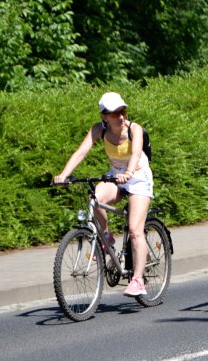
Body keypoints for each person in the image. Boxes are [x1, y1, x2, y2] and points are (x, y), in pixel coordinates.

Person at [53, 92, 153, 296]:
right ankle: (106, 235)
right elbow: (80, 152)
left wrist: (129, 173)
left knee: (135, 229)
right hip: (116, 176)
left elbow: (135, 154)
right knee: (94, 199)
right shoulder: (99, 129)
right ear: (104, 116)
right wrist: (64, 175)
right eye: (115, 113)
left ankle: (137, 280)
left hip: (138, 177)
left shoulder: (135, 129)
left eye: (123, 111)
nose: (121, 116)